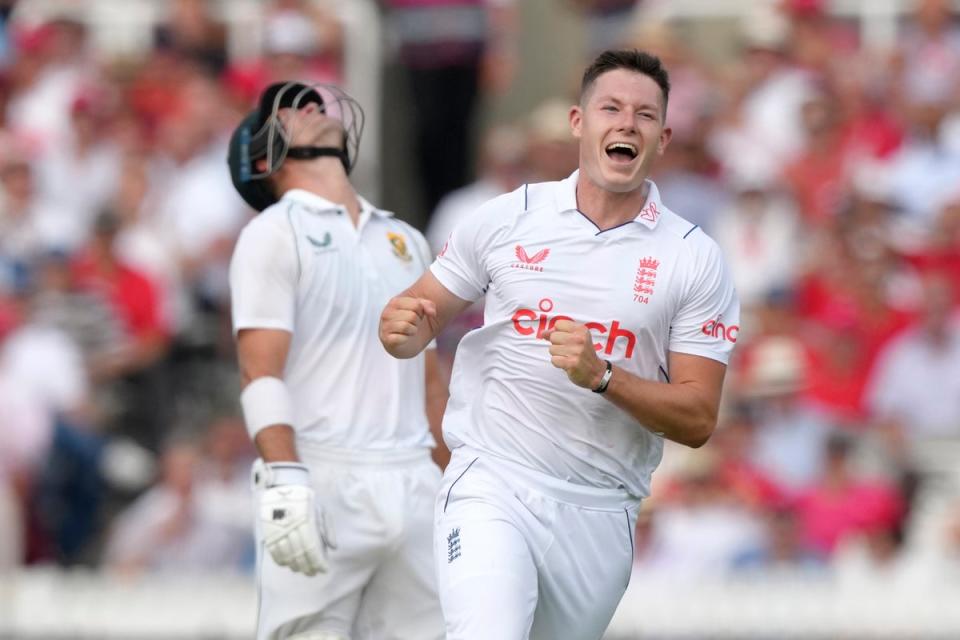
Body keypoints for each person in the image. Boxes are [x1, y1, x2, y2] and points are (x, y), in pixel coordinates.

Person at [380, 49, 740, 639]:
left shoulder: (693, 257)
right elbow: (417, 315)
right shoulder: (504, 218)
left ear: (664, 137)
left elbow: (698, 418)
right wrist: (398, 331)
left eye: (645, 115)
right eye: (612, 108)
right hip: (491, 478)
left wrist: (604, 376)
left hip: (601, 506)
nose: (627, 124)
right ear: (580, 122)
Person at [226, 81, 446, 640]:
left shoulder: (405, 239)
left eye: (312, 103)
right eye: (290, 111)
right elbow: (259, 370)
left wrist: (454, 481)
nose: (312, 109)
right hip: (321, 476)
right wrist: (284, 478)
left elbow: (429, 380)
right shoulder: (272, 234)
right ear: (261, 157)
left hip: (413, 475)